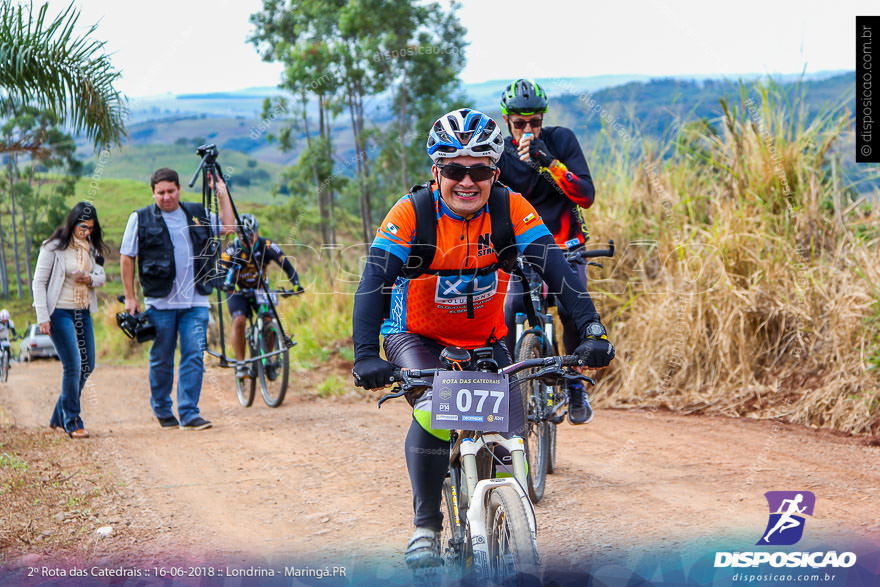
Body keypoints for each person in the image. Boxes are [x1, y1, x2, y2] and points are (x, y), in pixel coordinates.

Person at [351, 108, 614, 568]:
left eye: (480, 170)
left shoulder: (510, 207)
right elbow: (373, 282)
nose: (467, 181)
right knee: (434, 414)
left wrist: (591, 329)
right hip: (417, 337)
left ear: (496, 171)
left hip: (486, 339)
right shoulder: (411, 213)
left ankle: (501, 519)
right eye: (454, 170)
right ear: (437, 172)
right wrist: (366, 354)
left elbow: (556, 269)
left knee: (504, 431)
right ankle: (427, 526)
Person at [498, 78, 599, 425]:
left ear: (543, 118)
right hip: (522, 248)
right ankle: (507, 387)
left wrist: (550, 162)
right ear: (507, 121)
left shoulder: (561, 140)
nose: (528, 129)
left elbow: (585, 195)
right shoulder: (502, 153)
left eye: (535, 122)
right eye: (520, 123)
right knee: (510, 306)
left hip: (566, 244)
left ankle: (574, 385)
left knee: (573, 308)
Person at [120, 168, 234, 431]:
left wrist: (222, 194)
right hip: (160, 303)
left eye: (171, 191)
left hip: (196, 301)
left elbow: (228, 228)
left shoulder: (198, 213)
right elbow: (127, 257)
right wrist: (130, 297)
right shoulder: (140, 218)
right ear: (153, 193)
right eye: (160, 192)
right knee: (162, 357)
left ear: (179, 189)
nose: (166, 197)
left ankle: (189, 412)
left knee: (194, 354)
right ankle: (162, 408)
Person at [31, 202, 107, 438]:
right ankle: (72, 420)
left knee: (88, 365)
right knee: (73, 365)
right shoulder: (53, 247)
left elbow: (102, 275)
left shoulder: (90, 248)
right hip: (60, 312)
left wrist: (90, 279)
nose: (86, 232)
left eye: (91, 228)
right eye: (83, 227)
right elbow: (38, 283)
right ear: (72, 223)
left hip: (82, 310)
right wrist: (43, 317)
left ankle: (59, 414)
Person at [218, 213, 303, 379]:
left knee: (269, 321)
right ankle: (241, 363)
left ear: (257, 232)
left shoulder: (267, 246)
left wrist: (296, 284)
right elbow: (220, 272)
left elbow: (287, 265)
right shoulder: (231, 250)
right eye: (244, 237)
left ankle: (269, 359)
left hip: (261, 290)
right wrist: (224, 284)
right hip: (238, 291)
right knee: (240, 320)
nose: (249, 239)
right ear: (237, 235)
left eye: (252, 235)